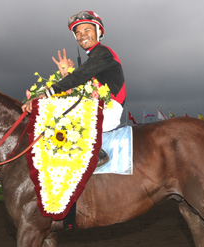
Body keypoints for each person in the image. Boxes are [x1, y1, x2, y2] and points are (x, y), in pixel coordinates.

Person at [22, 10, 126, 163]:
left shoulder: (103, 53)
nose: (82, 35)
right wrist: (66, 75)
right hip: (98, 107)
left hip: (109, 110)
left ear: (98, 32)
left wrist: (45, 94)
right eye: (78, 33)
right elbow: (80, 83)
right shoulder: (94, 58)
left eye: (86, 30)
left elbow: (78, 78)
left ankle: (97, 155)